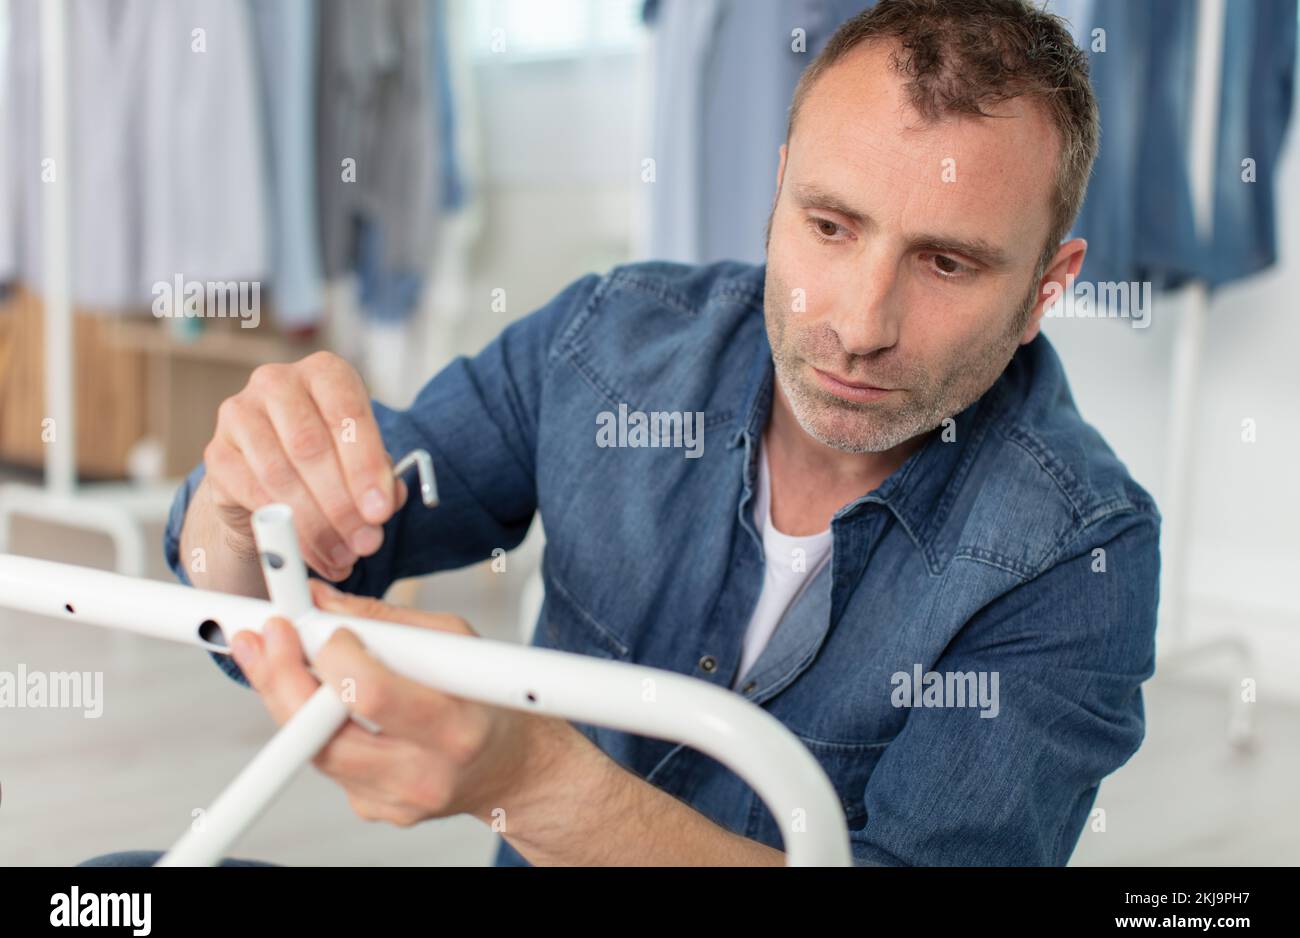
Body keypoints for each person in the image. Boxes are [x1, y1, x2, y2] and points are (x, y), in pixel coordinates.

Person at [85, 0, 1159, 867]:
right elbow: (285, 574)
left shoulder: (1077, 554)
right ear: (779, 185)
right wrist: (242, 510)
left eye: (947, 263)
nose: (859, 322)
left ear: (1045, 287)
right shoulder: (610, 343)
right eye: (830, 226)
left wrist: (531, 781)